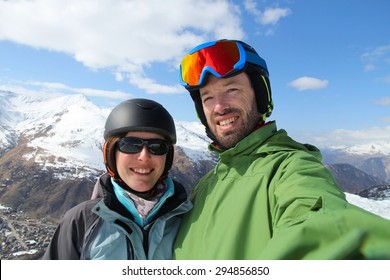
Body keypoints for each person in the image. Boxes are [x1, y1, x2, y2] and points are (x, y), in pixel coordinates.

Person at [173, 39, 390, 259]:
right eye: (207, 97)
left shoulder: (289, 169)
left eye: (231, 89)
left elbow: (323, 227)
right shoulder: (204, 186)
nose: (219, 107)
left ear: (260, 95)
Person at [43, 98, 192, 259]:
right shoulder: (81, 221)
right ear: (112, 153)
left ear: (167, 157)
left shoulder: (188, 218)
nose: (144, 156)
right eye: (130, 144)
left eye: (157, 146)